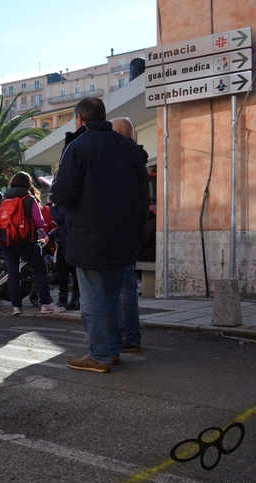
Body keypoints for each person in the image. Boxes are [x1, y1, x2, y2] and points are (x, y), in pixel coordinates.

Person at [51, 98, 148, 373]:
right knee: (112, 297)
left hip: (89, 235)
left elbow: (64, 194)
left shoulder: (79, 147)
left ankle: (98, 355)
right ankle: (112, 351)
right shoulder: (130, 150)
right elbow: (140, 198)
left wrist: (55, 191)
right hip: (123, 236)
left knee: (92, 298)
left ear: (80, 119)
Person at [0, 172, 64, 316]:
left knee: (13, 271)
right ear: (28, 184)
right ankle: (46, 303)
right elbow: (39, 223)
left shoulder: (4, 198)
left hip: (7, 240)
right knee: (40, 269)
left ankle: (16, 306)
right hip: (26, 240)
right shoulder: (29, 199)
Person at [111, 116, 150, 354]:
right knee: (127, 284)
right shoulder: (138, 159)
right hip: (132, 230)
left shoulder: (124, 160)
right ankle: (131, 336)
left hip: (122, 231)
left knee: (123, 286)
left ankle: (127, 337)